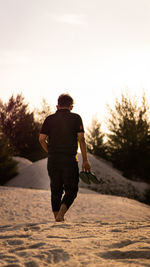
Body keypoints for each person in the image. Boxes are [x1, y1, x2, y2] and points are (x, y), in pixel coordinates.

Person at [39, 94, 91, 222]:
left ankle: (57, 218)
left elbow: (41, 139)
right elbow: (82, 139)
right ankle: (61, 214)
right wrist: (85, 160)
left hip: (53, 159)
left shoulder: (49, 119)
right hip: (69, 159)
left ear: (57, 106)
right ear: (71, 106)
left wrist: (50, 151)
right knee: (72, 189)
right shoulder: (76, 118)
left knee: (55, 189)